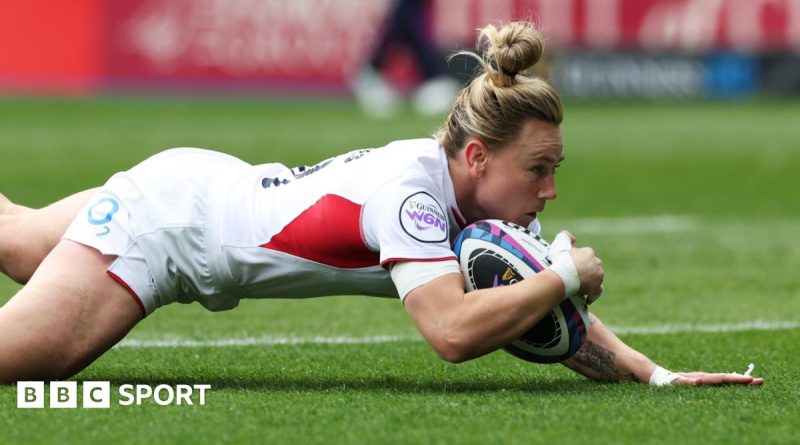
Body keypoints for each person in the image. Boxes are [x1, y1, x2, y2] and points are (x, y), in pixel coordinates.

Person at [0, 22, 762, 387]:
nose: (550, 191)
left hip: (196, 185)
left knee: (14, 234)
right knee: (24, 364)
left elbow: (536, 310)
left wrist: (653, 373)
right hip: (164, 232)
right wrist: (562, 274)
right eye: (538, 169)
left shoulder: (471, 207)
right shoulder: (411, 194)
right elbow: (454, 331)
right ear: (475, 156)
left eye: (555, 169)